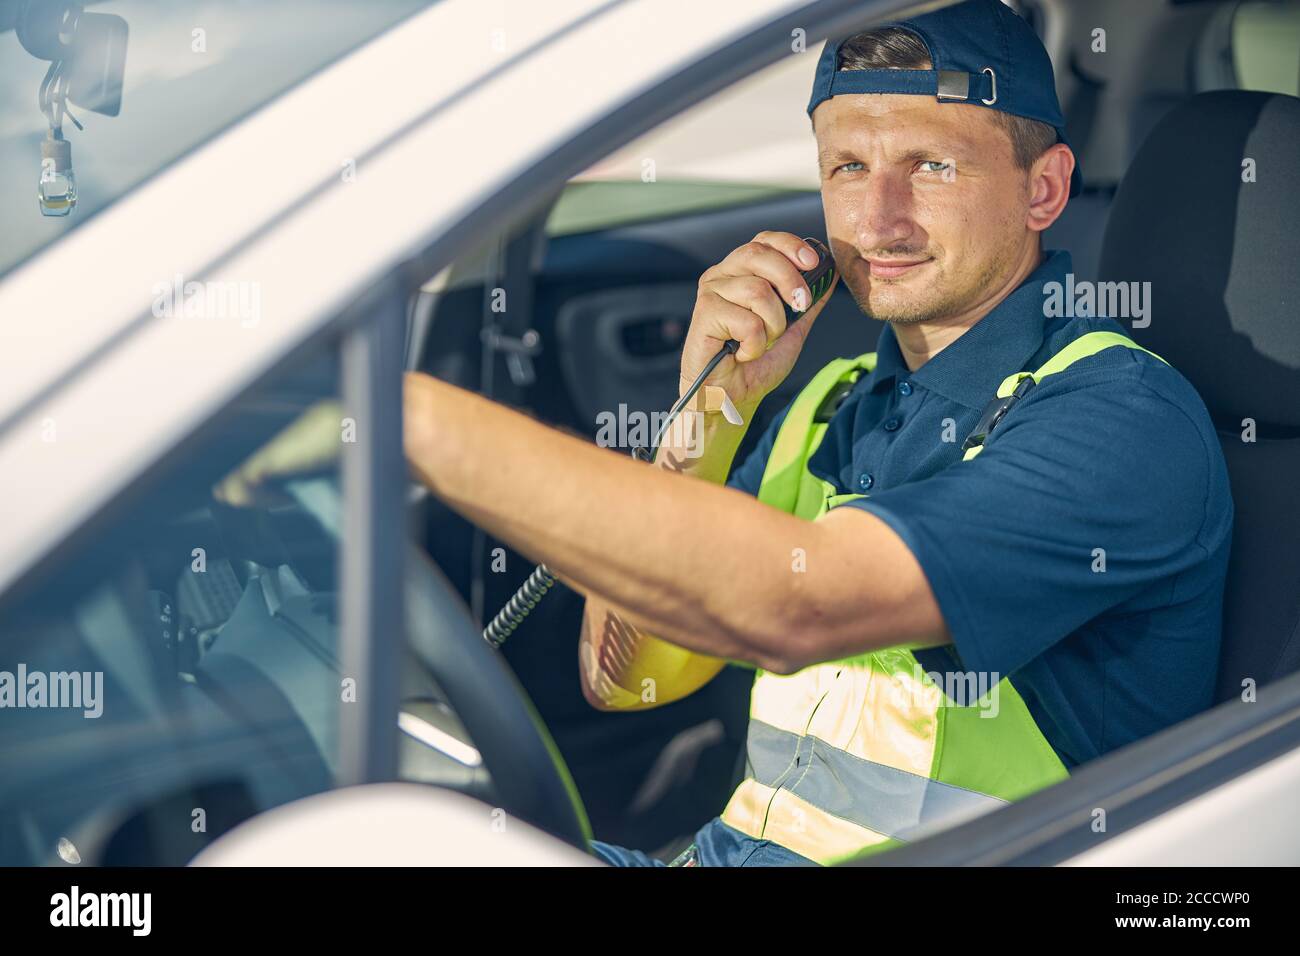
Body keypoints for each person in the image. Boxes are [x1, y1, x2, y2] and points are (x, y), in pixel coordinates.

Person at [221, 0, 1232, 866]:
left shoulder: (1119, 420)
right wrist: (709, 408)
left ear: (1043, 189)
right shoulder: (831, 395)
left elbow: (791, 604)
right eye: (845, 166)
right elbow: (626, 678)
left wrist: (407, 417)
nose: (876, 220)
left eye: (929, 164)